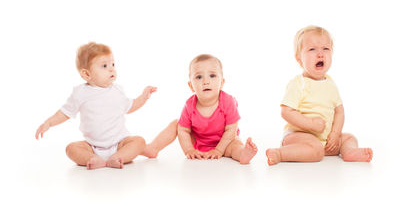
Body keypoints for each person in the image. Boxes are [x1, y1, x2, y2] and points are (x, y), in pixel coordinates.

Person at [35, 42, 177, 169]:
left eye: (113, 64)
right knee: (71, 149)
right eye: (104, 66)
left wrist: (143, 97)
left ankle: (118, 157)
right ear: (86, 74)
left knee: (138, 141)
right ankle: (92, 159)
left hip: (120, 143)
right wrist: (49, 123)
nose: (111, 69)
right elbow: (65, 112)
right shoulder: (81, 93)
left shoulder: (117, 90)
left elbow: (130, 106)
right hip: (91, 146)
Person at [266, 26, 373, 165]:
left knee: (349, 138)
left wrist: (334, 135)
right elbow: (286, 112)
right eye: (312, 49)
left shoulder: (331, 83)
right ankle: (280, 153)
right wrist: (310, 124)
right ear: (299, 59)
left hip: (325, 140)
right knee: (316, 150)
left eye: (326, 49)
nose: (320, 54)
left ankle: (349, 152)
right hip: (299, 137)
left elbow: (339, 111)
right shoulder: (299, 83)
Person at [177, 54, 258, 164]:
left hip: (227, 141)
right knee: (176, 126)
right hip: (200, 143)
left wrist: (219, 150)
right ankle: (154, 147)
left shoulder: (228, 101)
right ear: (191, 86)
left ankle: (243, 154)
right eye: (199, 77)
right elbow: (183, 130)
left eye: (212, 75)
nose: (206, 81)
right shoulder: (189, 105)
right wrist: (189, 150)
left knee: (235, 146)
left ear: (222, 83)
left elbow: (232, 129)